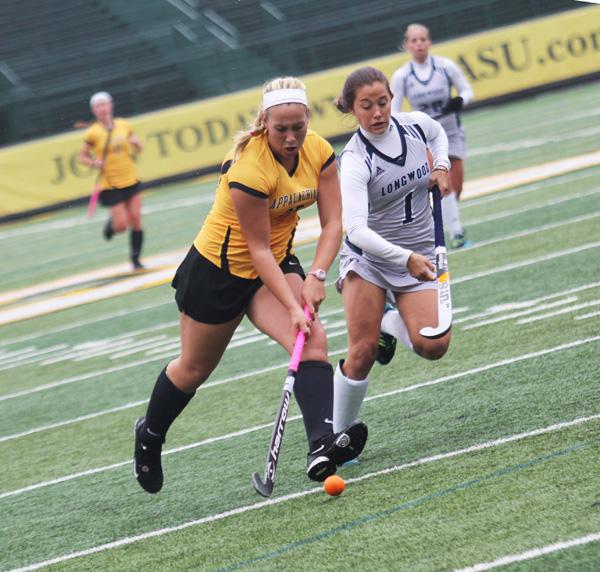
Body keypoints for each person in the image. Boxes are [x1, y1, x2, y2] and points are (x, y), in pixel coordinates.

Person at [133, 77, 367, 494]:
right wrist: (294, 305)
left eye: (298, 127)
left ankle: (321, 445)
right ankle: (150, 435)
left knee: (311, 340)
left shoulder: (319, 150)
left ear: (308, 119)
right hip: (218, 273)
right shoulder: (249, 168)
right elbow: (254, 248)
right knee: (194, 368)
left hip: (275, 262)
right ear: (264, 123)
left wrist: (316, 276)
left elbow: (334, 222)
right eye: (282, 129)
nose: (292, 138)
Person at [332, 66, 451, 437]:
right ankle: (339, 435)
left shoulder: (414, 126)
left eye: (382, 102)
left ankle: (388, 319)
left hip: (418, 252)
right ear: (352, 109)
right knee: (363, 352)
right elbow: (356, 230)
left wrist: (443, 166)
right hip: (369, 261)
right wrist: (404, 259)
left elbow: (438, 133)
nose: (377, 113)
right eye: (366, 106)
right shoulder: (353, 160)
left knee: (434, 343)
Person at [391, 23, 473, 249]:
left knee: (457, 185)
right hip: (425, 137)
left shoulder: (445, 67)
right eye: (414, 40)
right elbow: (394, 109)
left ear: (429, 41)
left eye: (422, 39)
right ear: (407, 45)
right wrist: (407, 125)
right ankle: (456, 234)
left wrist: (460, 101)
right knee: (442, 182)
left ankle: (440, 220)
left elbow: (467, 90)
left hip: (451, 131)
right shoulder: (402, 76)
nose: (419, 44)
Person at [79, 91, 145, 269]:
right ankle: (110, 227)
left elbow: (137, 148)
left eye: (104, 104)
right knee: (122, 225)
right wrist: (94, 163)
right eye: (98, 106)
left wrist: (137, 145)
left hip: (130, 178)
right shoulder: (93, 133)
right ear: (94, 110)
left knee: (136, 218)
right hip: (110, 184)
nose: (102, 108)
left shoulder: (124, 125)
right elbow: (82, 157)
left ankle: (136, 259)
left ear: (111, 105)